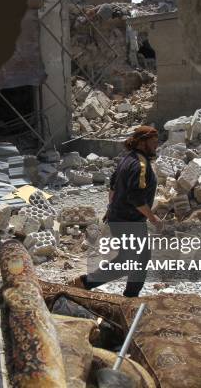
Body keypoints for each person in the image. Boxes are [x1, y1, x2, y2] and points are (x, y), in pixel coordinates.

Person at [69, 125, 162, 297]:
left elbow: (112, 187)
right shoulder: (140, 164)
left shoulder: (127, 159)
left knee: (136, 259)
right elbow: (136, 198)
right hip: (130, 220)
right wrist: (154, 218)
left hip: (121, 218)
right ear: (142, 142)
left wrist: (110, 208)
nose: (156, 145)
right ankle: (88, 283)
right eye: (153, 142)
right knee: (131, 261)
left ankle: (128, 295)